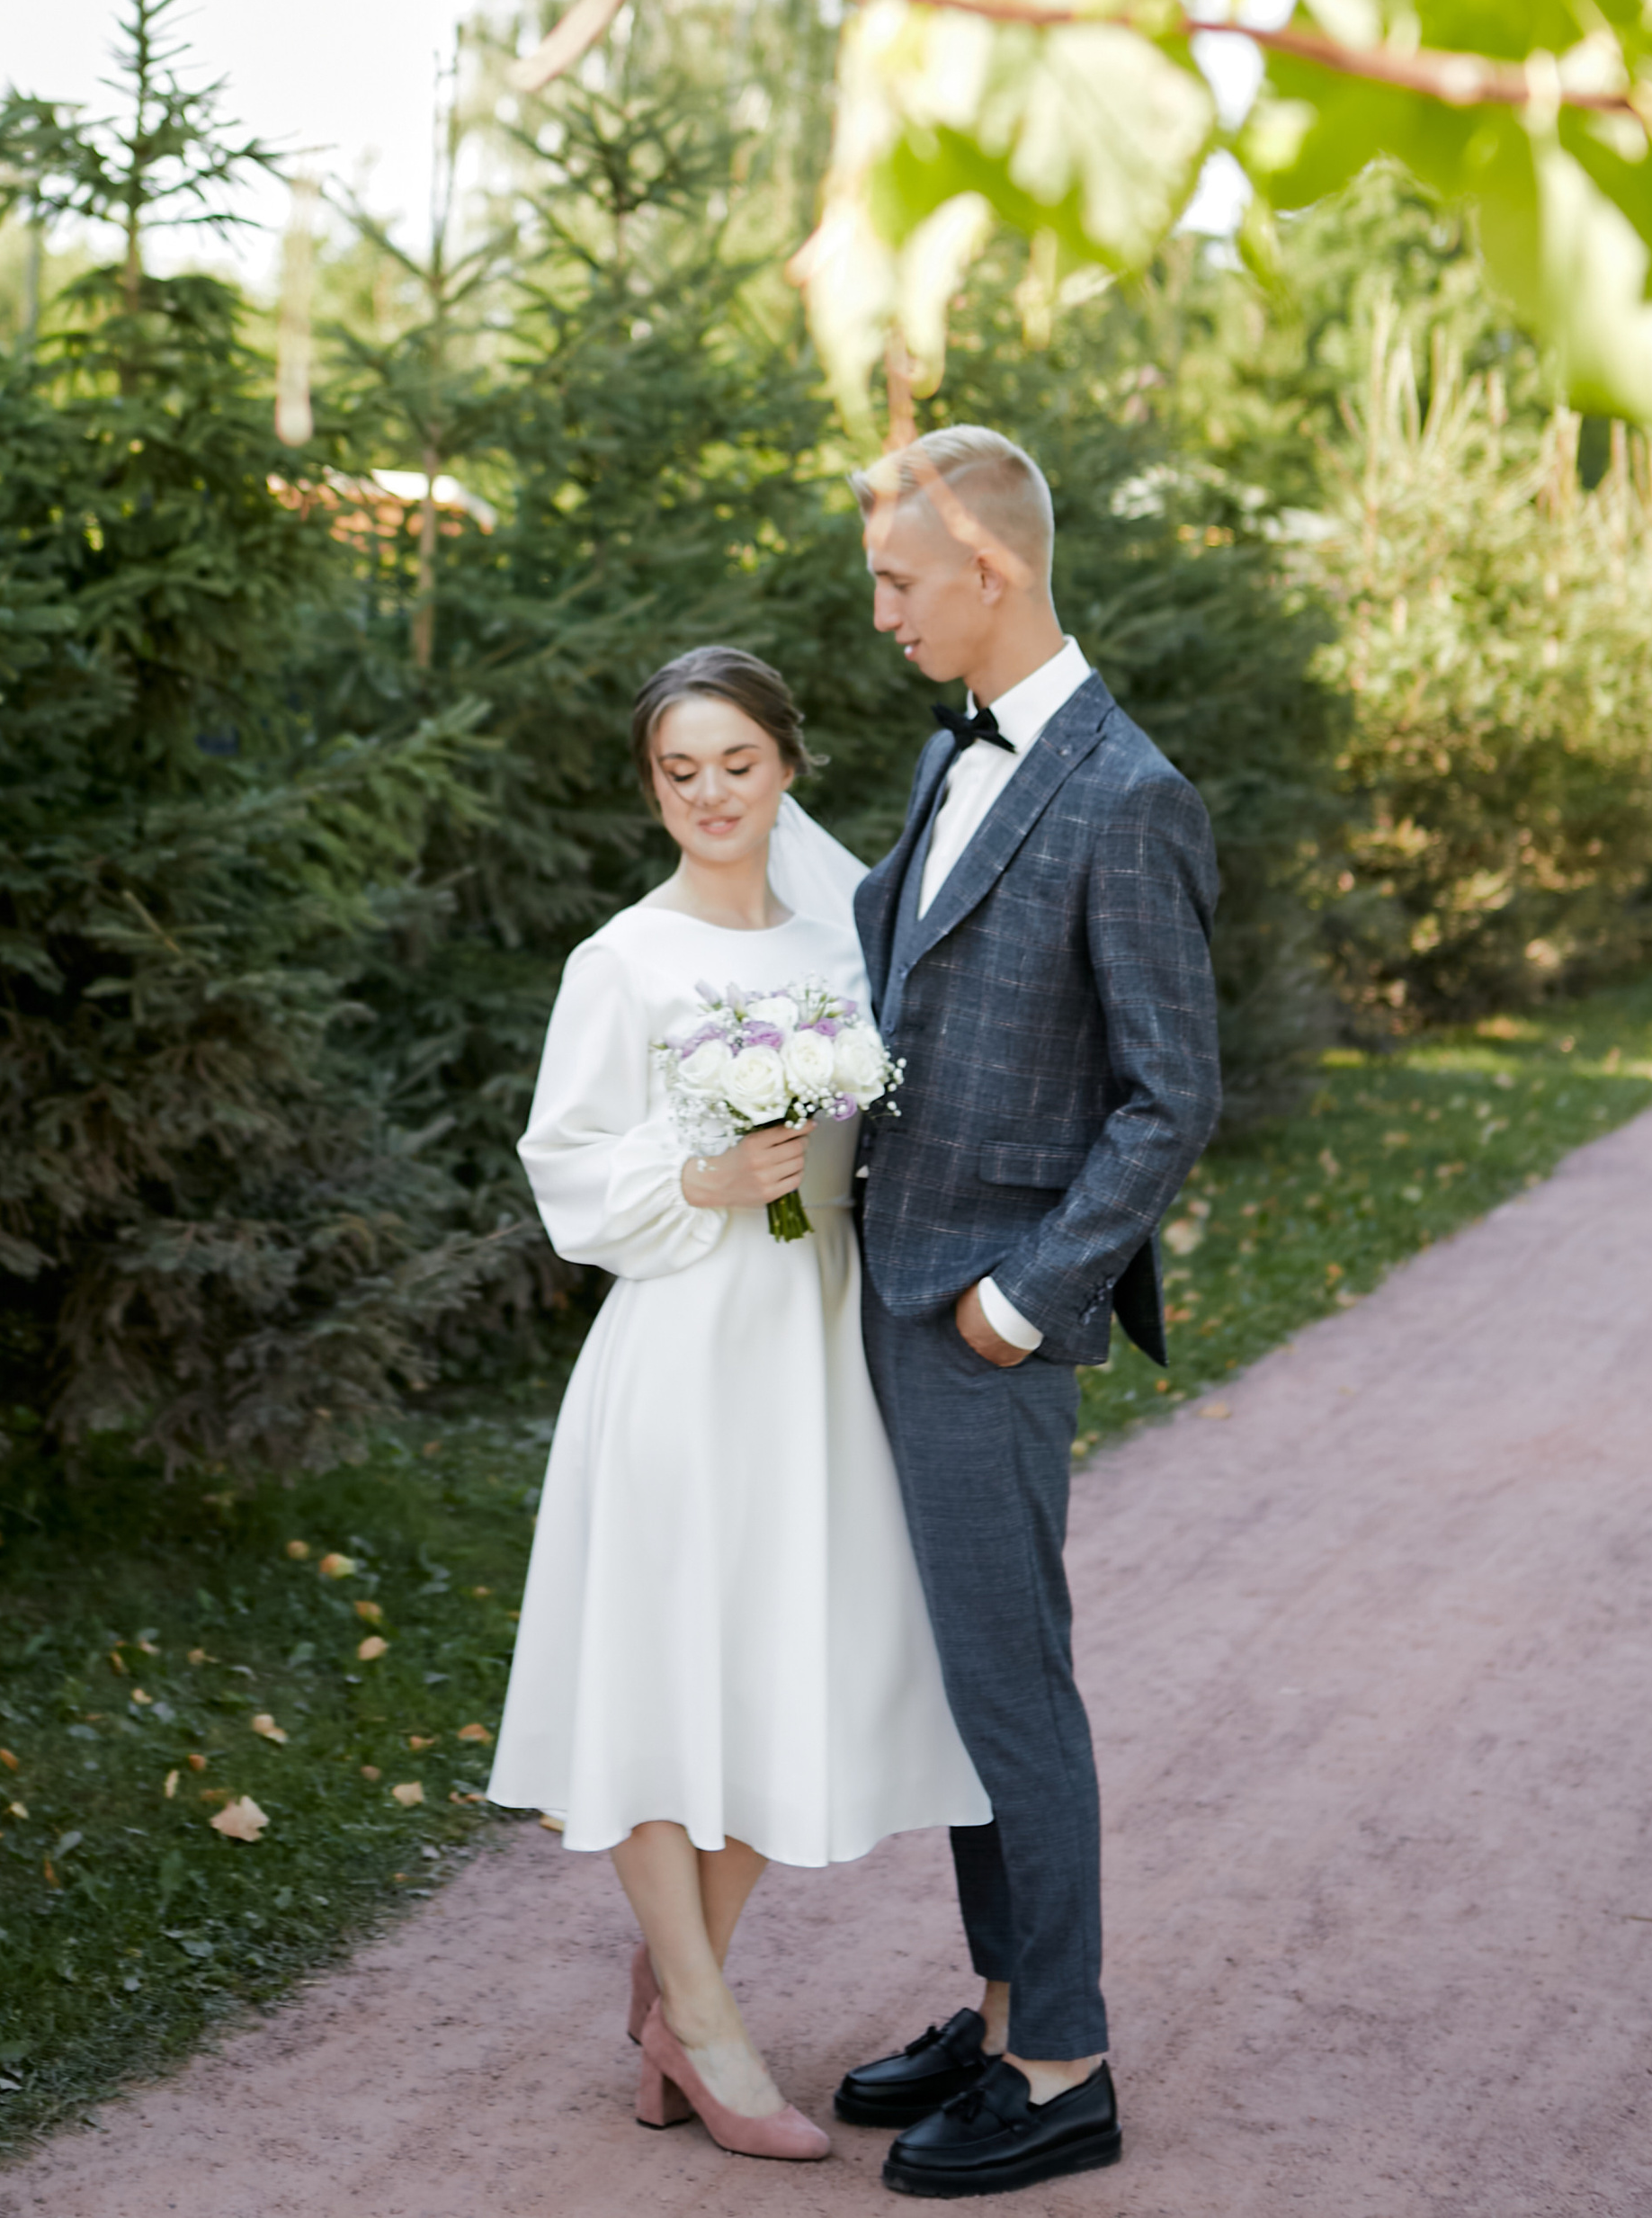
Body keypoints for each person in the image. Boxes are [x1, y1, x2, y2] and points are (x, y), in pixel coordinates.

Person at [487, 642, 991, 2164]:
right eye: (677, 771)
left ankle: (673, 1989)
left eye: (736, 763)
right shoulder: (621, 962)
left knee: (800, 1662)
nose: (709, 794)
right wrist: (698, 1179)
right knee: (656, 1677)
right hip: (685, 1348)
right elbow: (566, 1173)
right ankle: (705, 2024)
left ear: (786, 766)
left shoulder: (846, 942)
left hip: (819, 1346)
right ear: (654, 789)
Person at [830, 425, 1219, 2199]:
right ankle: (998, 2008)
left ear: (986, 570)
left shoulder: (1123, 791)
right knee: (962, 1681)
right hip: (886, 1283)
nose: (882, 612)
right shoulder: (954, 753)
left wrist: (1021, 1297)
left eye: (900, 581)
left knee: (1011, 1687)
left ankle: (1058, 2065)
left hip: (977, 1318)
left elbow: (1167, 1095)